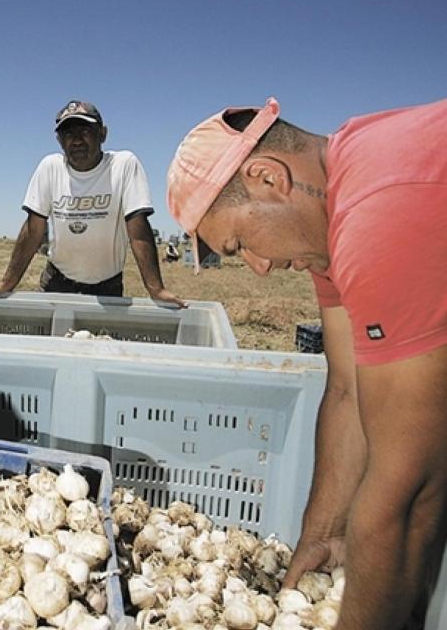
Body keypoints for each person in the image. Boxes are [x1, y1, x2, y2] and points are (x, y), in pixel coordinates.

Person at [166, 96, 447, 629]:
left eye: (242, 242)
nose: (262, 267)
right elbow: (346, 388)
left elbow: (409, 494)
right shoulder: (329, 222)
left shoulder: (377, 213)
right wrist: (323, 535)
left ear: (268, 178)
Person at [0, 100, 184, 306]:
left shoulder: (123, 165)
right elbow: (33, 230)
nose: (77, 140)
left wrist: (156, 290)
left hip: (107, 286)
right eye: (68, 133)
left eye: (85, 130)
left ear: (103, 134)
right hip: (57, 282)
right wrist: (7, 283)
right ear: (59, 140)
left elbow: (138, 230)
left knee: (102, 338)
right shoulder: (50, 167)